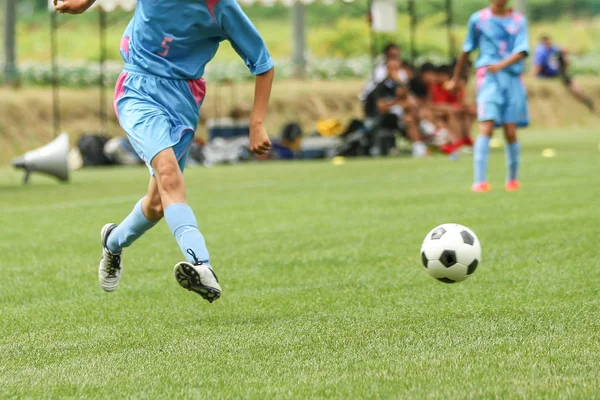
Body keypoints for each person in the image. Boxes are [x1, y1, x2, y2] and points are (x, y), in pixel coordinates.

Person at [54, 0, 274, 302]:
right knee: (170, 176)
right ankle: (202, 265)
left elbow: (263, 63)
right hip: (138, 91)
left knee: (157, 204)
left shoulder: (221, 7)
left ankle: (113, 241)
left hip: (184, 100)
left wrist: (257, 123)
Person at [448, 0, 529, 193]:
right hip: (488, 78)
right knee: (487, 125)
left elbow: (522, 50)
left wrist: (501, 65)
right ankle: (479, 181)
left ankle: (512, 180)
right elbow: (466, 49)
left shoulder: (518, 20)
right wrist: (456, 78)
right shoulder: (478, 19)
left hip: (511, 79)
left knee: (510, 130)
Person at [372, 59, 427, 158]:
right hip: (388, 117)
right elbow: (381, 108)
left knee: (411, 114)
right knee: (408, 116)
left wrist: (401, 83)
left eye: (397, 69)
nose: (395, 72)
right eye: (392, 69)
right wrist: (397, 101)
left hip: (406, 115)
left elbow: (414, 101)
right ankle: (422, 136)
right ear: (387, 70)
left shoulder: (402, 85)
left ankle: (421, 141)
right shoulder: (381, 86)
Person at [532, 35, 595, 112]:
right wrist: (534, 76)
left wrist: (576, 53)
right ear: (544, 42)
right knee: (570, 81)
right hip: (548, 73)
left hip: (554, 71)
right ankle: (584, 98)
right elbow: (537, 66)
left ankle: (584, 97)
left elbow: (564, 50)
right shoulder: (541, 52)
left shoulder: (551, 48)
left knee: (563, 56)